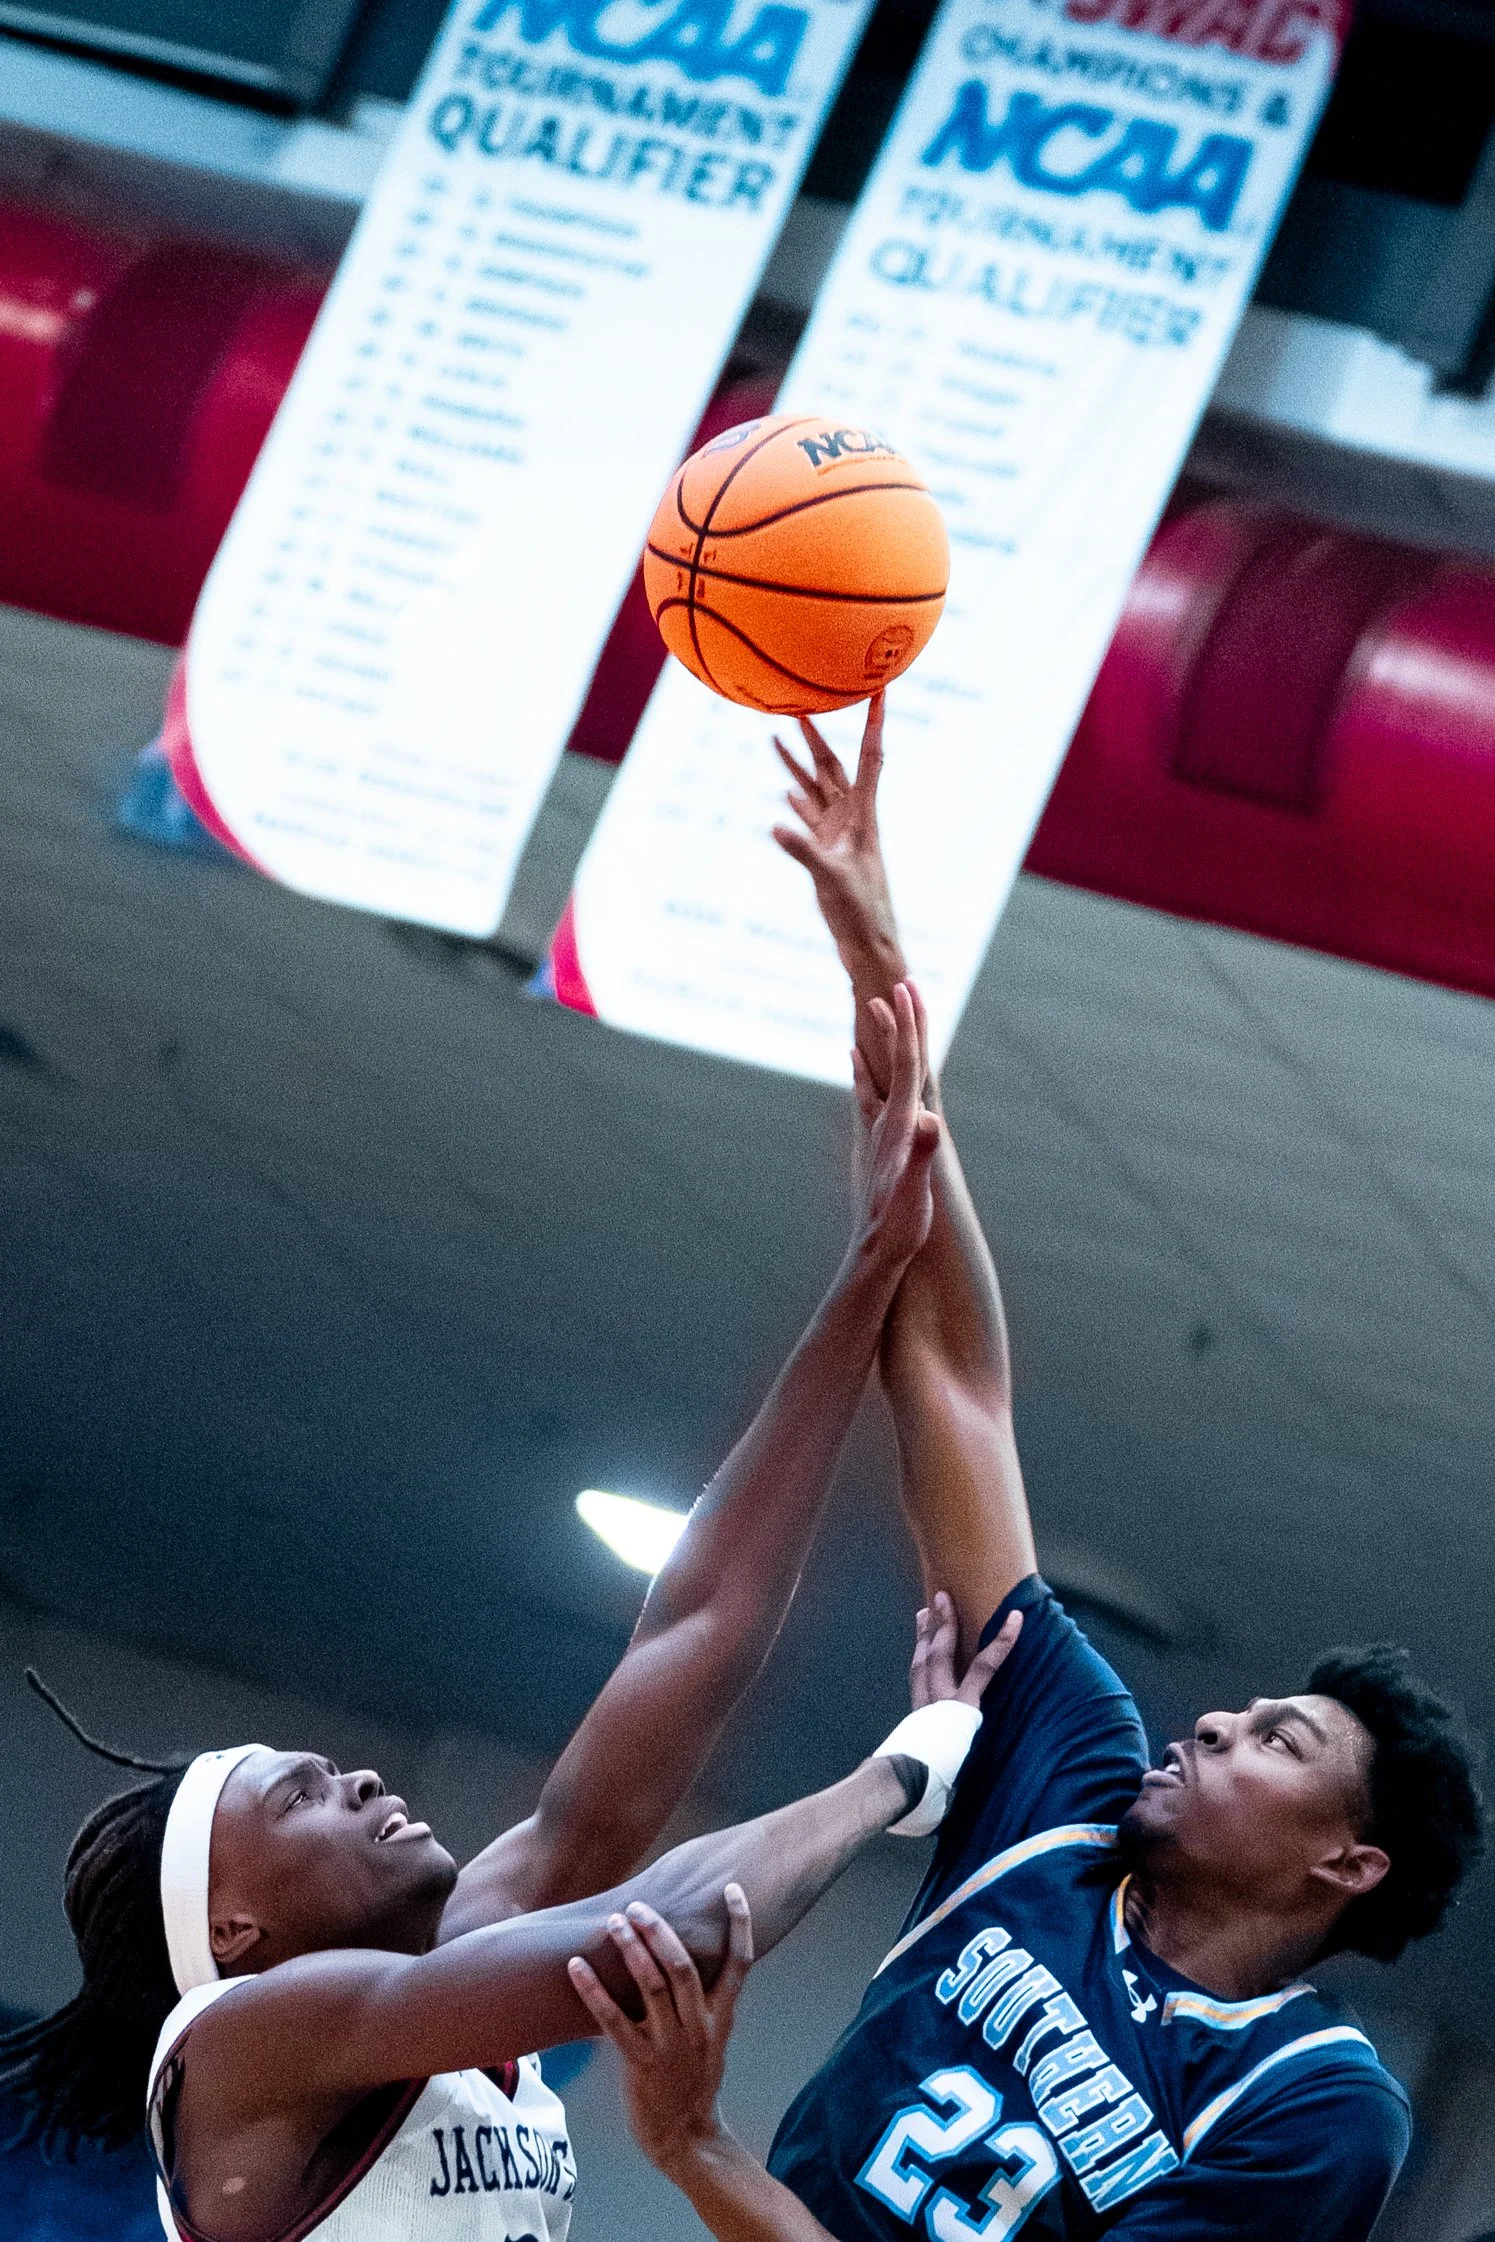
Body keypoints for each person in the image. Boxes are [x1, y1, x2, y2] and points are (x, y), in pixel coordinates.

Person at [569, 694, 1486, 2241]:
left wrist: (695, 2146)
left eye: (1275, 1739)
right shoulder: (1068, 1784)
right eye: (1243, 1709)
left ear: (1346, 1859)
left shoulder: (1317, 2105)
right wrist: (876, 964)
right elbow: (956, 1385)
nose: (1213, 1720)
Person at [0, 986, 1017, 2242]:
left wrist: (865, 1276)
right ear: (233, 1927)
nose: (356, 1779)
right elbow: (666, 1935)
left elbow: (695, 1629)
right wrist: (895, 1778)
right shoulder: (239, 2042)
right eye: (300, 1797)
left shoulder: (450, 1972)